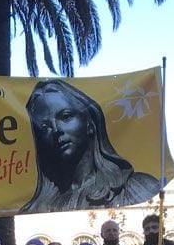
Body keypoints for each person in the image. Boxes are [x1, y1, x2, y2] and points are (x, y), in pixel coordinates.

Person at [20, 79, 160, 212]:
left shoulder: (139, 187)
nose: (57, 130)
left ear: (90, 123)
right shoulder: (36, 207)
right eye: (44, 127)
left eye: (66, 116)